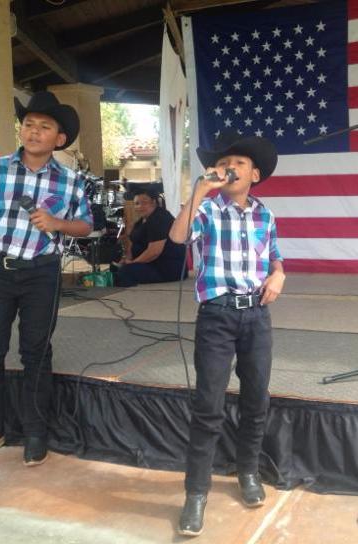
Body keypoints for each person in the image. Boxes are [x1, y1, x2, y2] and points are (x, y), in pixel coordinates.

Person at [0, 91, 93, 467]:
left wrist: (58, 223)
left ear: (59, 139)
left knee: (36, 351)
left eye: (44, 126)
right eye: (29, 124)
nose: (33, 131)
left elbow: (85, 225)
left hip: (42, 273)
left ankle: (35, 432)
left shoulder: (70, 181)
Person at [169, 130, 285, 536]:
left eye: (239, 162)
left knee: (256, 397)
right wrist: (200, 190)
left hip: (256, 315)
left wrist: (280, 274)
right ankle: (196, 492)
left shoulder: (265, 215)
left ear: (255, 174)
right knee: (208, 404)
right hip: (216, 315)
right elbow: (177, 237)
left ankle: (248, 471)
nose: (230, 167)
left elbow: (275, 258)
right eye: (224, 162)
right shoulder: (206, 210)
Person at [113, 189, 187, 287]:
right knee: (115, 268)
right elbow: (132, 242)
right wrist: (127, 259)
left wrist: (133, 263)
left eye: (144, 203)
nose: (140, 207)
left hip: (166, 267)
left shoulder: (160, 218)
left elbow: (154, 252)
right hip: (149, 264)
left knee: (126, 272)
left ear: (154, 202)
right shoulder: (141, 221)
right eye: (137, 204)